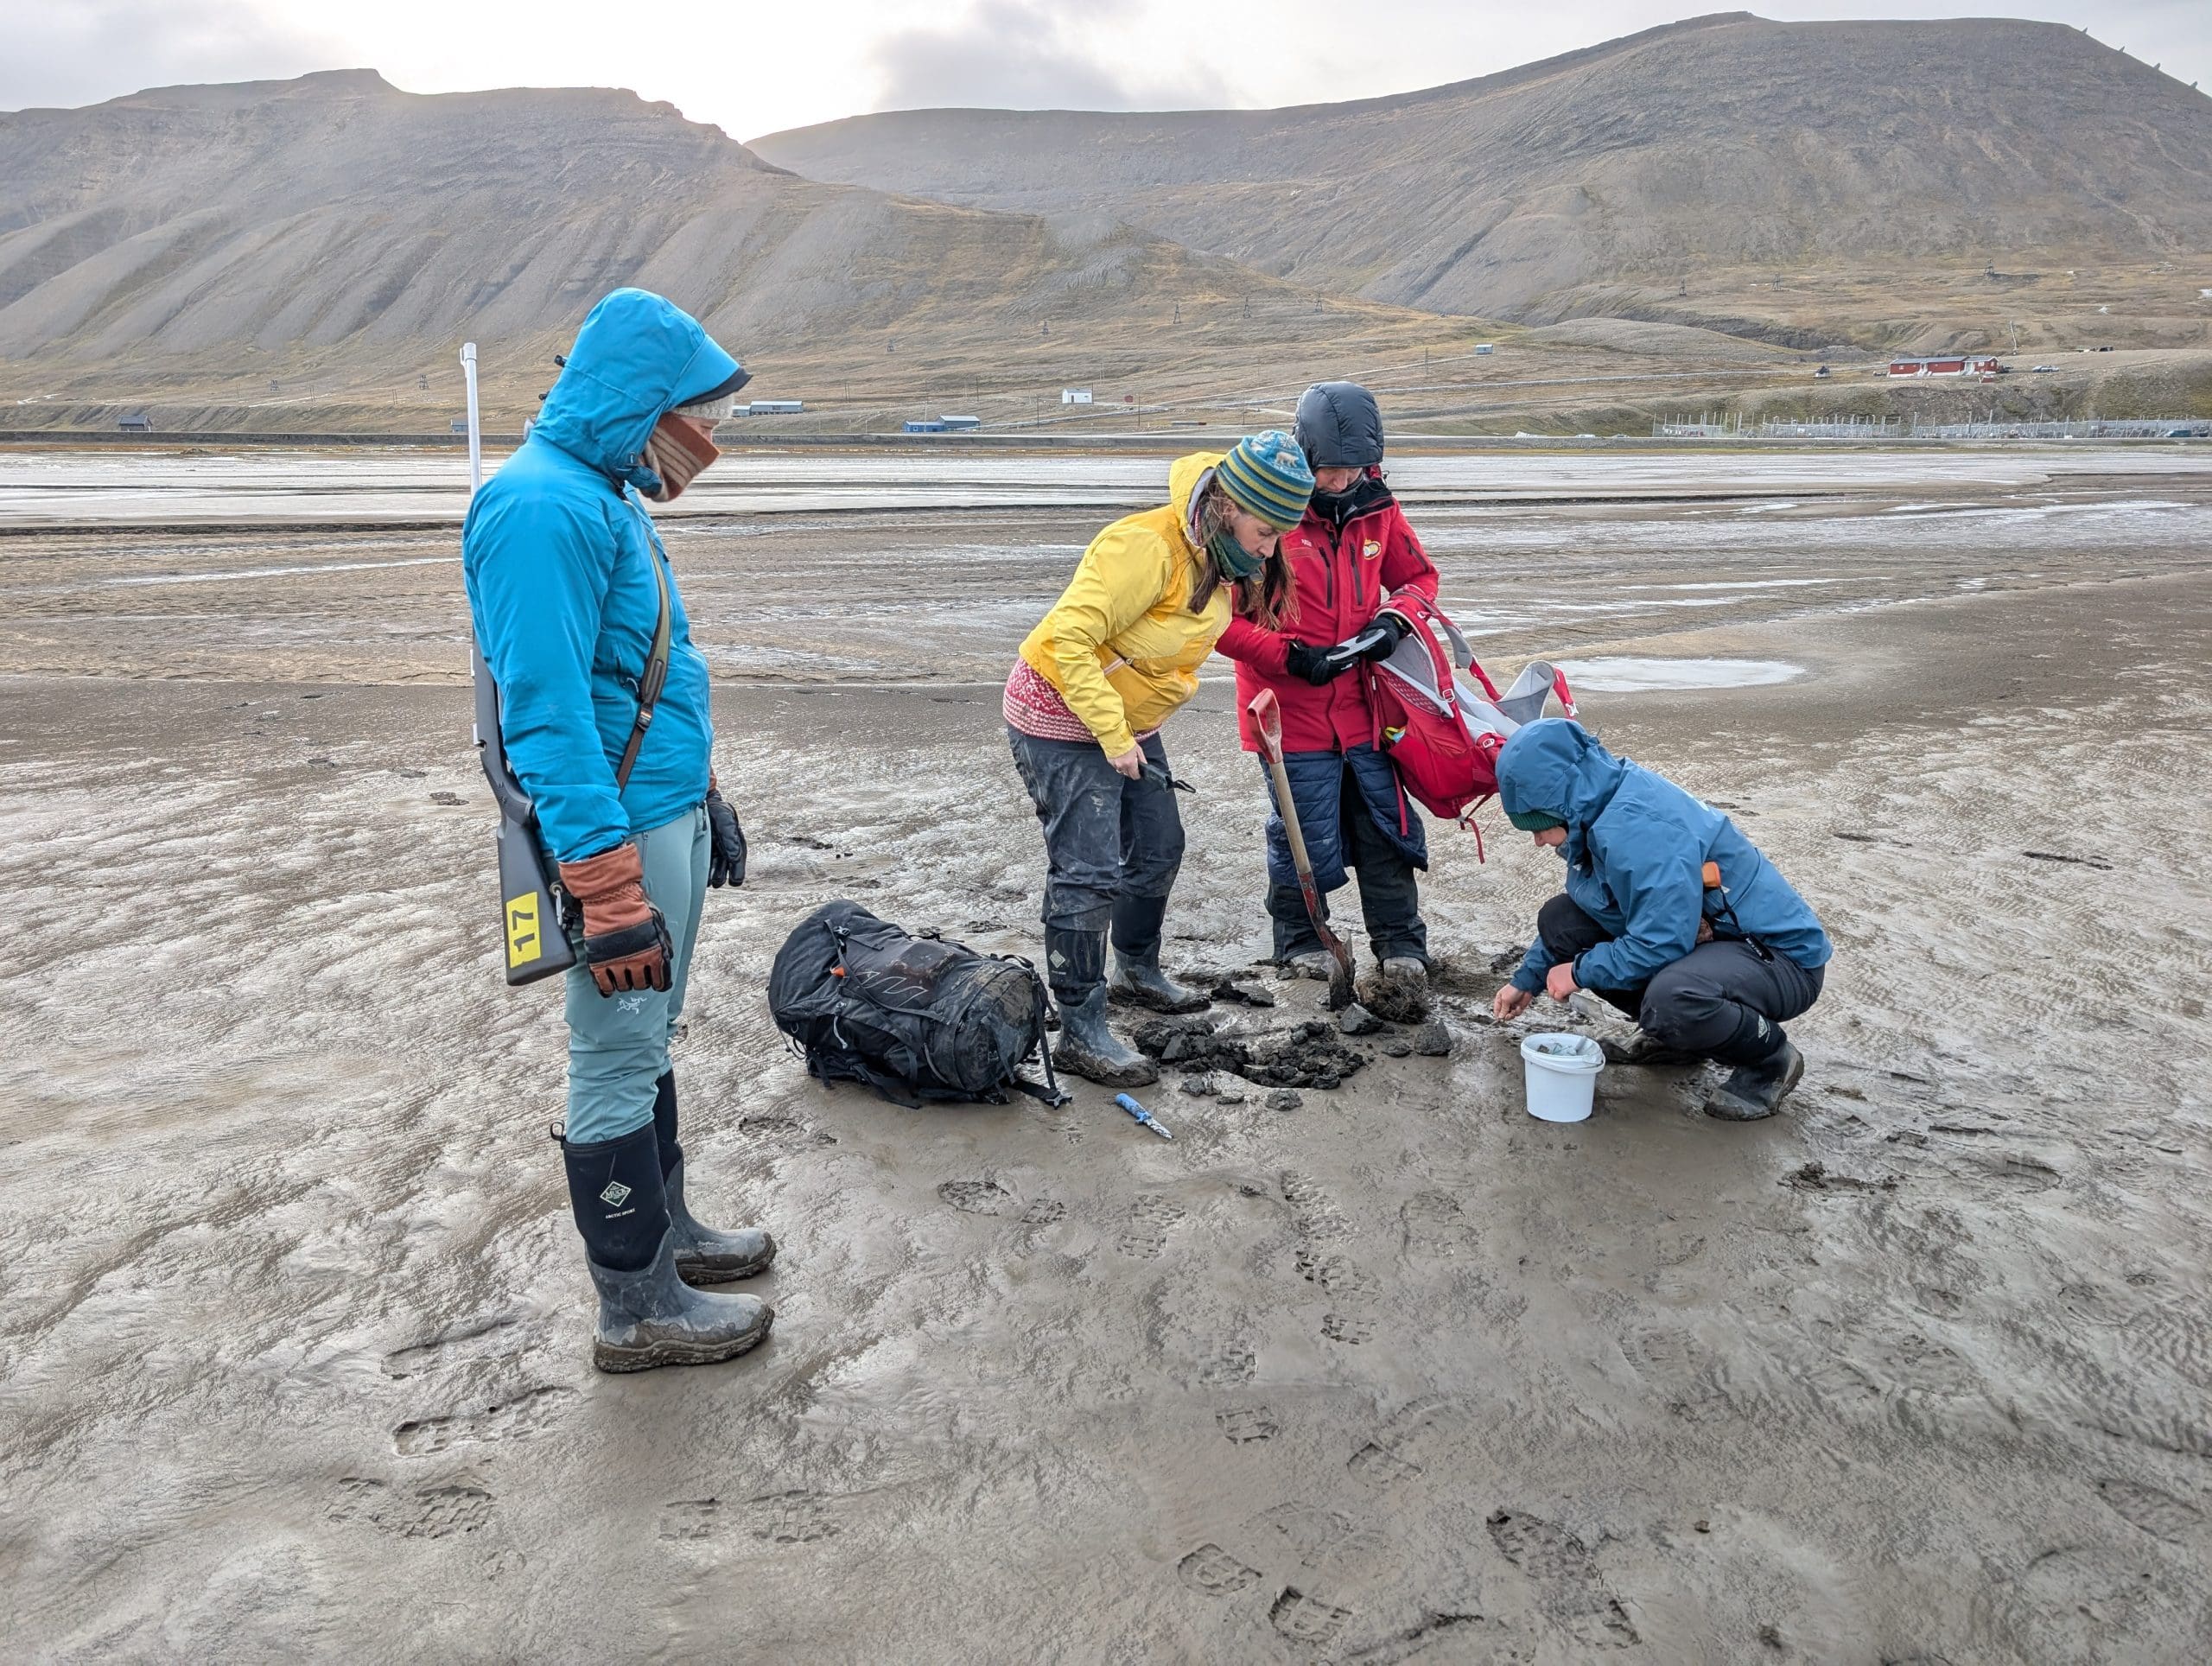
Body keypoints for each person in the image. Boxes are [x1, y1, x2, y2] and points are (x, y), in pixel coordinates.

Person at [462, 288, 776, 1372]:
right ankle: (635, 1303)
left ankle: (671, 1235)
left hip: (660, 814)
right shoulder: (541, 509)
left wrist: (708, 795)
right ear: (643, 403)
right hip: (621, 834)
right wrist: (604, 886)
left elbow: (651, 673)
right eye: (702, 414)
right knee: (613, 1053)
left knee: (648, 1040)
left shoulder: (602, 498)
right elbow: (546, 716)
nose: (710, 439)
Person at [1006, 432, 1314, 1085]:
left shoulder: (1221, 554)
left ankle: (1136, 969)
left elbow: (1194, 630)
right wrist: (1115, 739)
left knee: (1158, 844)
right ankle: (1082, 1029)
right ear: (1229, 506)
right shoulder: (1143, 547)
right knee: (1086, 871)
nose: (1270, 548)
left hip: (1130, 717)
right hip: (1061, 714)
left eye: (1279, 536)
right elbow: (1067, 640)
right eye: (1266, 531)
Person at [1214, 382, 1440, 994]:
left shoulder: (1379, 507)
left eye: (1354, 470)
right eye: (1331, 471)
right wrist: (1290, 657)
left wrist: (1396, 623)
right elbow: (1215, 620)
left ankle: (1401, 946)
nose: (1341, 483)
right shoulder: (1265, 512)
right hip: (1286, 710)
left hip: (1367, 707)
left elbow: (1418, 578)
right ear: (1306, 455)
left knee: (1384, 823)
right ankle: (1300, 941)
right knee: (1302, 827)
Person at [1488, 719, 1832, 1120]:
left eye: (1539, 825)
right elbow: (1594, 910)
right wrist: (1526, 979)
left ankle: (1770, 1059)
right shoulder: (1596, 811)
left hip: (1780, 958)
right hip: (1708, 939)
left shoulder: (1637, 829)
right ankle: (1673, 1041)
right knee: (1560, 920)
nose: (1538, 840)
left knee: (1673, 999)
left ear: (1564, 803)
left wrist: (1579, 971)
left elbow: (1662, 941)